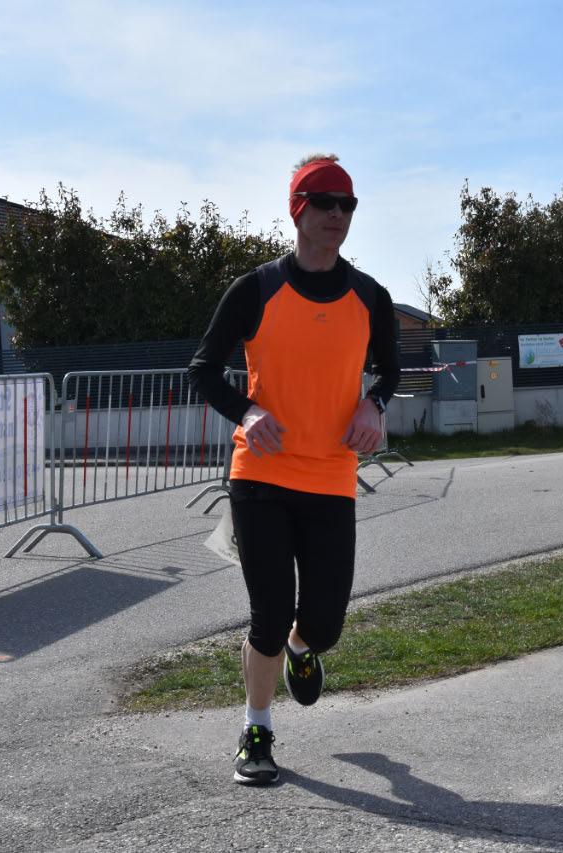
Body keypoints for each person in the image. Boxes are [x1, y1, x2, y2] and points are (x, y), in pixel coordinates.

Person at [188, 153, 400, 785]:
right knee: (270, 612)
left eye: (347, 204)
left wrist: (375, 403)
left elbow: (391, 371)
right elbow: (203, 368)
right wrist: (247, 411)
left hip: (331, 476)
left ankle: (304, 650)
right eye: (325, 202)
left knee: (325, 622)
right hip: (261, 474)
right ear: (298, 210)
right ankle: (256, 730)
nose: (338, 214)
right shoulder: (256, 289)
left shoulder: (370, 297)